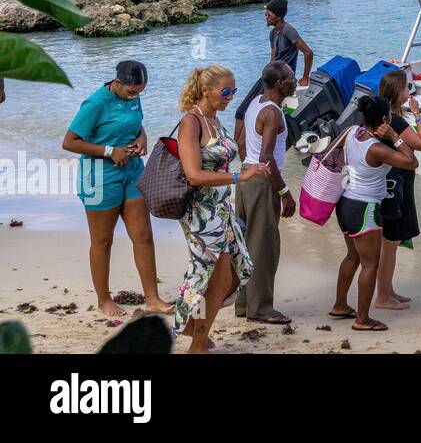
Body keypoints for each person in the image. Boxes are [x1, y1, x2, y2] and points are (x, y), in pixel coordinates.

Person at [61, 60, 172, 318]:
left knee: (143, 235)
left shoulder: (133, 96)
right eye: (132, 91)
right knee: (102, 240)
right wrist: (110, 151)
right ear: (117, 83)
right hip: (100, 177)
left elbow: (137, 123)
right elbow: (69, 142)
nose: (136, 96)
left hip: (132, 171)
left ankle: (153, 298)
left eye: (140, 92)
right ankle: (104, 300)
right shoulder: (96, 104)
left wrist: (142, 138)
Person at [173, 65, 270, 353]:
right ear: (206, 91)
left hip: (220, 209)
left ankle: (194, 327)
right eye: (225, 92)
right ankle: (198, 342)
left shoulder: (214, 119)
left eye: (234, 92)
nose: (230, 97)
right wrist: (242, 176)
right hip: (200, 212)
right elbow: (193, 174)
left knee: (233, 275)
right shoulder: (192, 122)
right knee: (211, 277)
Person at [329, 95, 418, 333]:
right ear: (384, 119)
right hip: (365, 207)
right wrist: (394, 136)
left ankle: (339, 305)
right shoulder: (376, 148)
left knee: (352, 257)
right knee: (370, 265)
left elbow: (330, 151)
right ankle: (362, 319)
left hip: (345, 201)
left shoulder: (350, 132)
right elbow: (411, 162)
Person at [234, 60, 296, 325]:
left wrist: (247, 168)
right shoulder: (272, 113)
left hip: (246, 177)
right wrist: (284, 191)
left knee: (247, 243)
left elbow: (241, 140)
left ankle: (244, 302)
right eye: (292, 78)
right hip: (262, 181)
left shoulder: (255, 103)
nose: (295, 81)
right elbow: (267, 157)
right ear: (281, 84)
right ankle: (260, 308)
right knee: (264, 246)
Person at [375, 69, 421, 311]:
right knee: (391, 242)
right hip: (397, 184)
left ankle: (387, 290)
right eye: (406, 87)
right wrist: (417, 114)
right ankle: (383, 296)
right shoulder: (395, 121)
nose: (409, 91)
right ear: (398, 92)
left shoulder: (385, 117)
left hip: (388, 184)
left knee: (391, 242)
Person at [234, 0, 314, 130]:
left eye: (269, 14)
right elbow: (272, 61)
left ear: (279, 16)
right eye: (265, 14)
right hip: (271, 77)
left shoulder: (288, 30)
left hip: (282, 78)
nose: (266, 16)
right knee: (241, 111)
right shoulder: (272, 33)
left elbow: (308, 53)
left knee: (250, 112)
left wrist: (305, 77)